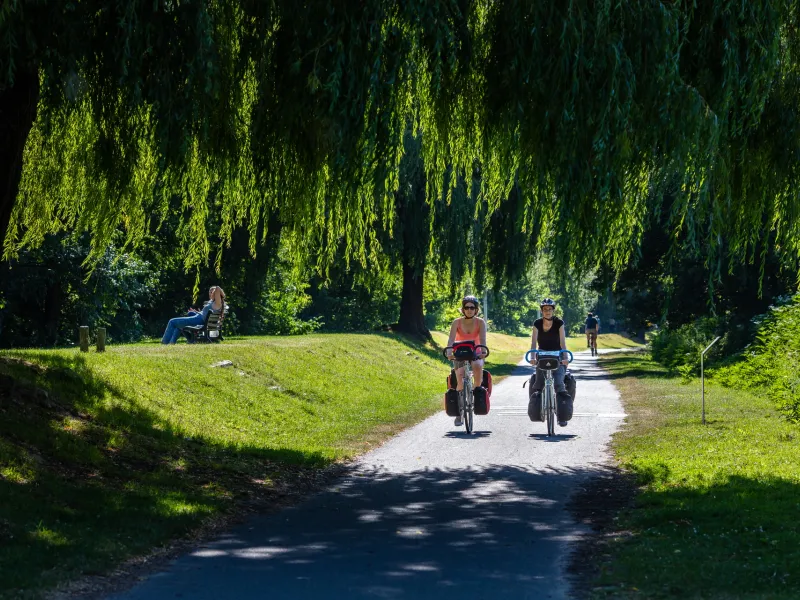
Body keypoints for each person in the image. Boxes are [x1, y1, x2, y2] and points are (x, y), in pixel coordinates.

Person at [528, 298, 572, 427]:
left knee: (559, 382)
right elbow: (533, 342)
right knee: (538, 383)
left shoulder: (559, 323)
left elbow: (563, 342)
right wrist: (532, 357)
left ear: (553, 310)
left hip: (557, 355)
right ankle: (538, 409)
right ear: (541, 311)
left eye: (550, 309)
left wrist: (565, 358)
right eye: (545, 309)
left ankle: (562, 416)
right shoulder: (537, 323)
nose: (547, 311)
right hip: (542, 355)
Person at [445, 295, 487, 426]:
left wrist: (483, 352)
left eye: (472, 308)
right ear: (463, 309)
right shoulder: (456, 322)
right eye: (467, 307)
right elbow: (451, 339)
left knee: (478, 365)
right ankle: (459, 412)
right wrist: (449, 352)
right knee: (460, 378)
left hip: (476, 352)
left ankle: (476, 390)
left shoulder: (480, 322)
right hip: (460, 353)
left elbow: (483, 339)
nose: (469, 310)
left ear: (476, 309)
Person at [161, 286, 226, 344]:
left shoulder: (217, 303)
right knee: (180, 324)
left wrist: (222, 295)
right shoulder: (213, 302)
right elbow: (205, 314)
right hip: (198, 318)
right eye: (210, 292)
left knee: (172, 322)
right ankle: (171, 343)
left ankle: (165, 343)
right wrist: (196, 312)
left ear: (216, 294)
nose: (211, 293)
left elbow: (218, 288)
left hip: (198, 320)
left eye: (213, 292)